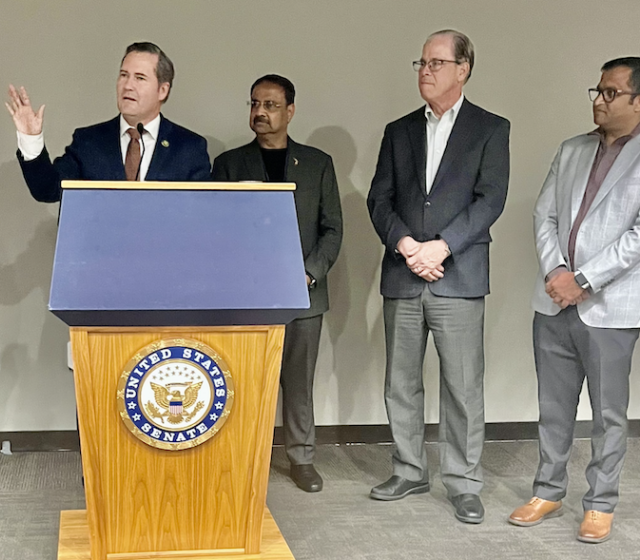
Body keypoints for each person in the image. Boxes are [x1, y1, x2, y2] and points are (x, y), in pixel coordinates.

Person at [366, 30, 510, 524]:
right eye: (421, 63)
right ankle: (409, 469)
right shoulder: (398, 129)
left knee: (463, 387)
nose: (425, 71)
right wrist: (408, 246)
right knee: (400, 383)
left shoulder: (491, 128)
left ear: (463, 68)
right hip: (404, 274)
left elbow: (490, 199)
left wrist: (441, 246)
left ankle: (464, 482)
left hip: (459, 274)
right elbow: (378, 200)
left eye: (436, 62)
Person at [508, 57, 640, 544]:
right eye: (597, 91)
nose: (598, 101)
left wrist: (583, 278)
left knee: (608, 413)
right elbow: (545, 217)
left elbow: (637, 236)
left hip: (610, 307)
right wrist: (556, 272)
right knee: (553, 406)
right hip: (554, 301)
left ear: (638, 101)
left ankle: (601, 502)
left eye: (610, 93)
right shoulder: (571, 150)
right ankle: (548, 490)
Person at [212, 75, 342, 493]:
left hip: (303, 293)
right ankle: (245, 455)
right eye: (254, 103)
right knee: (246, 380)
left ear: (290, 111)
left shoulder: (318, 163)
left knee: (298, 382)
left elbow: (332, 230)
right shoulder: (229, 165)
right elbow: (216, 230)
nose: (260, 113)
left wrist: (309, 272)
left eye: (270, 105)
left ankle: (301, 457)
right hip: (246, 295)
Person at [6, 42, 210, 200]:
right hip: (96, 253)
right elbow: (47, 190)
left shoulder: (188, 148)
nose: (128, 85)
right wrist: (30, 139)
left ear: (162, 90)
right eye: (123, 75)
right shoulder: (89, 142)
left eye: (139, 78)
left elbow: (200, 214)